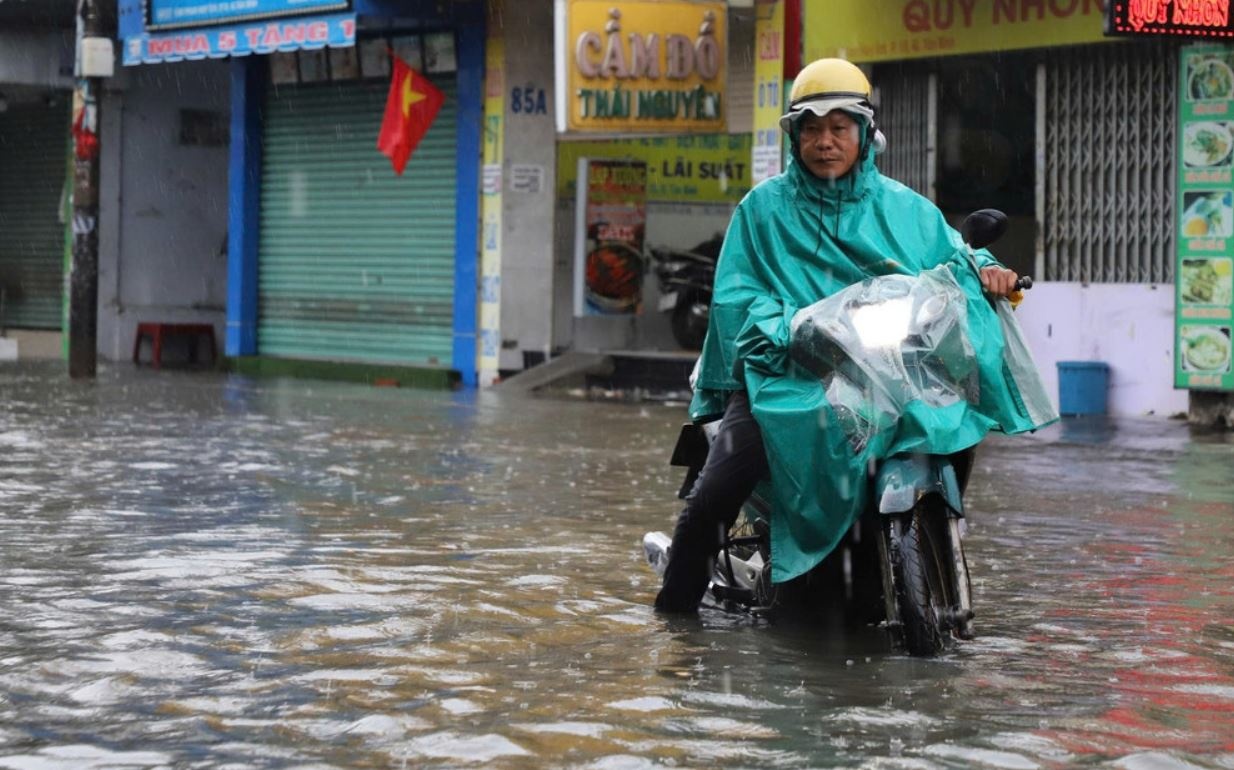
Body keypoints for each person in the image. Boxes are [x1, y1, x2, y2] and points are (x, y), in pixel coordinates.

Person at [654, 58, 1025, 614]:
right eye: (811, 129)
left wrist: (991, 272)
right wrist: (795, 328)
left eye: (839, 128)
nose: (825, 142)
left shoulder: (907, 210)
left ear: (865, 134)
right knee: (716, 494)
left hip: (885, 377)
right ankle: (674, 621)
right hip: (783, 375)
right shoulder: (761, 211)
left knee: (954, 421)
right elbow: (736, 300)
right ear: (795, 136)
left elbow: (955, 262)